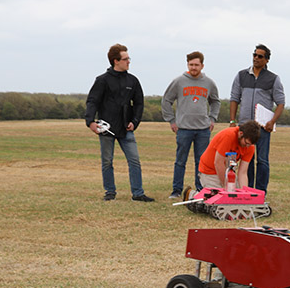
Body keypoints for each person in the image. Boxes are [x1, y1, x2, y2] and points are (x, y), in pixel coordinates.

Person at [85, 44, 154, 202]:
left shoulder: (133, 80)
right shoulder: (102, 80)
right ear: (115, 61)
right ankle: (110, 192)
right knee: (107, 161)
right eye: (125, 59)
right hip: (106, 129)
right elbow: (92, 101)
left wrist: (135, 122)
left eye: (129, 58)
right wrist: (90, 122)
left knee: (134, 160)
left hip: (126, 128)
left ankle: (138, 193)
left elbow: (139, 104)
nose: (129, 61)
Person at [162, 51, 221, 199]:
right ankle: (176, 190)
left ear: (202, 65)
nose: (194, 67)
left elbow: (215, 101)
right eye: (191, 65)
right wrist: (171, 120)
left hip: (203, 129)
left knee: (201, 162)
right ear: (187, 65)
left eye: (196, 65)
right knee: (180, 161)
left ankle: (200, 189)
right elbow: (166, 100)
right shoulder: (179, 81)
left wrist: (212, 118)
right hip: (184, 129)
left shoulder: (209, 83)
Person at [229, 44, 285, 193]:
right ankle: (247, 190)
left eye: (260, 56)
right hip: (244, 126)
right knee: (246, 161)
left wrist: (272, 121)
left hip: (262, 128)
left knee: (262, 161)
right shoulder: (241, 75)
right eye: (254, 55)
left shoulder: (273, 79)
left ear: (266, 60)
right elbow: (234, 98)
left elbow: (280, 103)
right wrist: (232, 121)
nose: (256, 58)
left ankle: (260, 192)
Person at [197, 121, 261, 190]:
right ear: (240, 133)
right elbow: (218, 163)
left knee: (237, 197)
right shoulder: (228, 136)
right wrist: (225, 185)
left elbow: (243, 172)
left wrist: (244, 191)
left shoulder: (250, 146)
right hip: (209, 171)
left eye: (250, 144)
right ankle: (192, 195)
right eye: (246, 143)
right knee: (216, 198)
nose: (247, 146)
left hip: (228, 172)